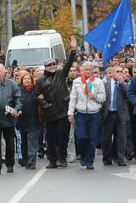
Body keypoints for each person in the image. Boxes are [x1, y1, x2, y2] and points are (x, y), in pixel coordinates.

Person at [36, 36, 77, 169]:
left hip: (62, 111)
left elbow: (69, 63)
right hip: (49, 114)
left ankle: (62, 158)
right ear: (45, 67)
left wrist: (73, 50)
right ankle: (52, 160)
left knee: (63, 136)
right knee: (50, 138)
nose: (52, 67)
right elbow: (37, 95)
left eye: (54, 64)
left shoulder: (61, 73)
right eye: (49, 65)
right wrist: (46, 105)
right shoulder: (41, 80)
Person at [68, 62, 106, 170]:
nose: (88, 71)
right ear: (82, 71)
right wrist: (70, 112)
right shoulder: (77, 82)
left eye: (90, 69)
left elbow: (103, 97)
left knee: (92, 138)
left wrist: (95, 96)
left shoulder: (98, 82)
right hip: (81, 114)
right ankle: (83, 155)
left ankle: (90, 161)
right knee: (81, 136)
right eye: (86, 69)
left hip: (94, 113)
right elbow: (73, 98)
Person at [101, 66, 130, 167]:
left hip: (120, 114)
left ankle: (120, 158)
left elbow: (129, 95)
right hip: (108, 114)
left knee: (121, 138)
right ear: (112, 73)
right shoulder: (105, 85)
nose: (120, 73)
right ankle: (107, 158)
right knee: (107, 138)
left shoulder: (124, 84)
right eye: (117, 71)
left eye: (121, 71)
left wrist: (122, 82)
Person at [17, 72, 41, 170]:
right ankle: (26, 159)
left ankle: (32, 161)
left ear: (32, 80)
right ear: (22, 81)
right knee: (24, 141)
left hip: (34, 118)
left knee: (32, 140)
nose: (27, 80)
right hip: (22, 118)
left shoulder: (36, 90)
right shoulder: (19, 91)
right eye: (25, 79)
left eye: (28, 79)